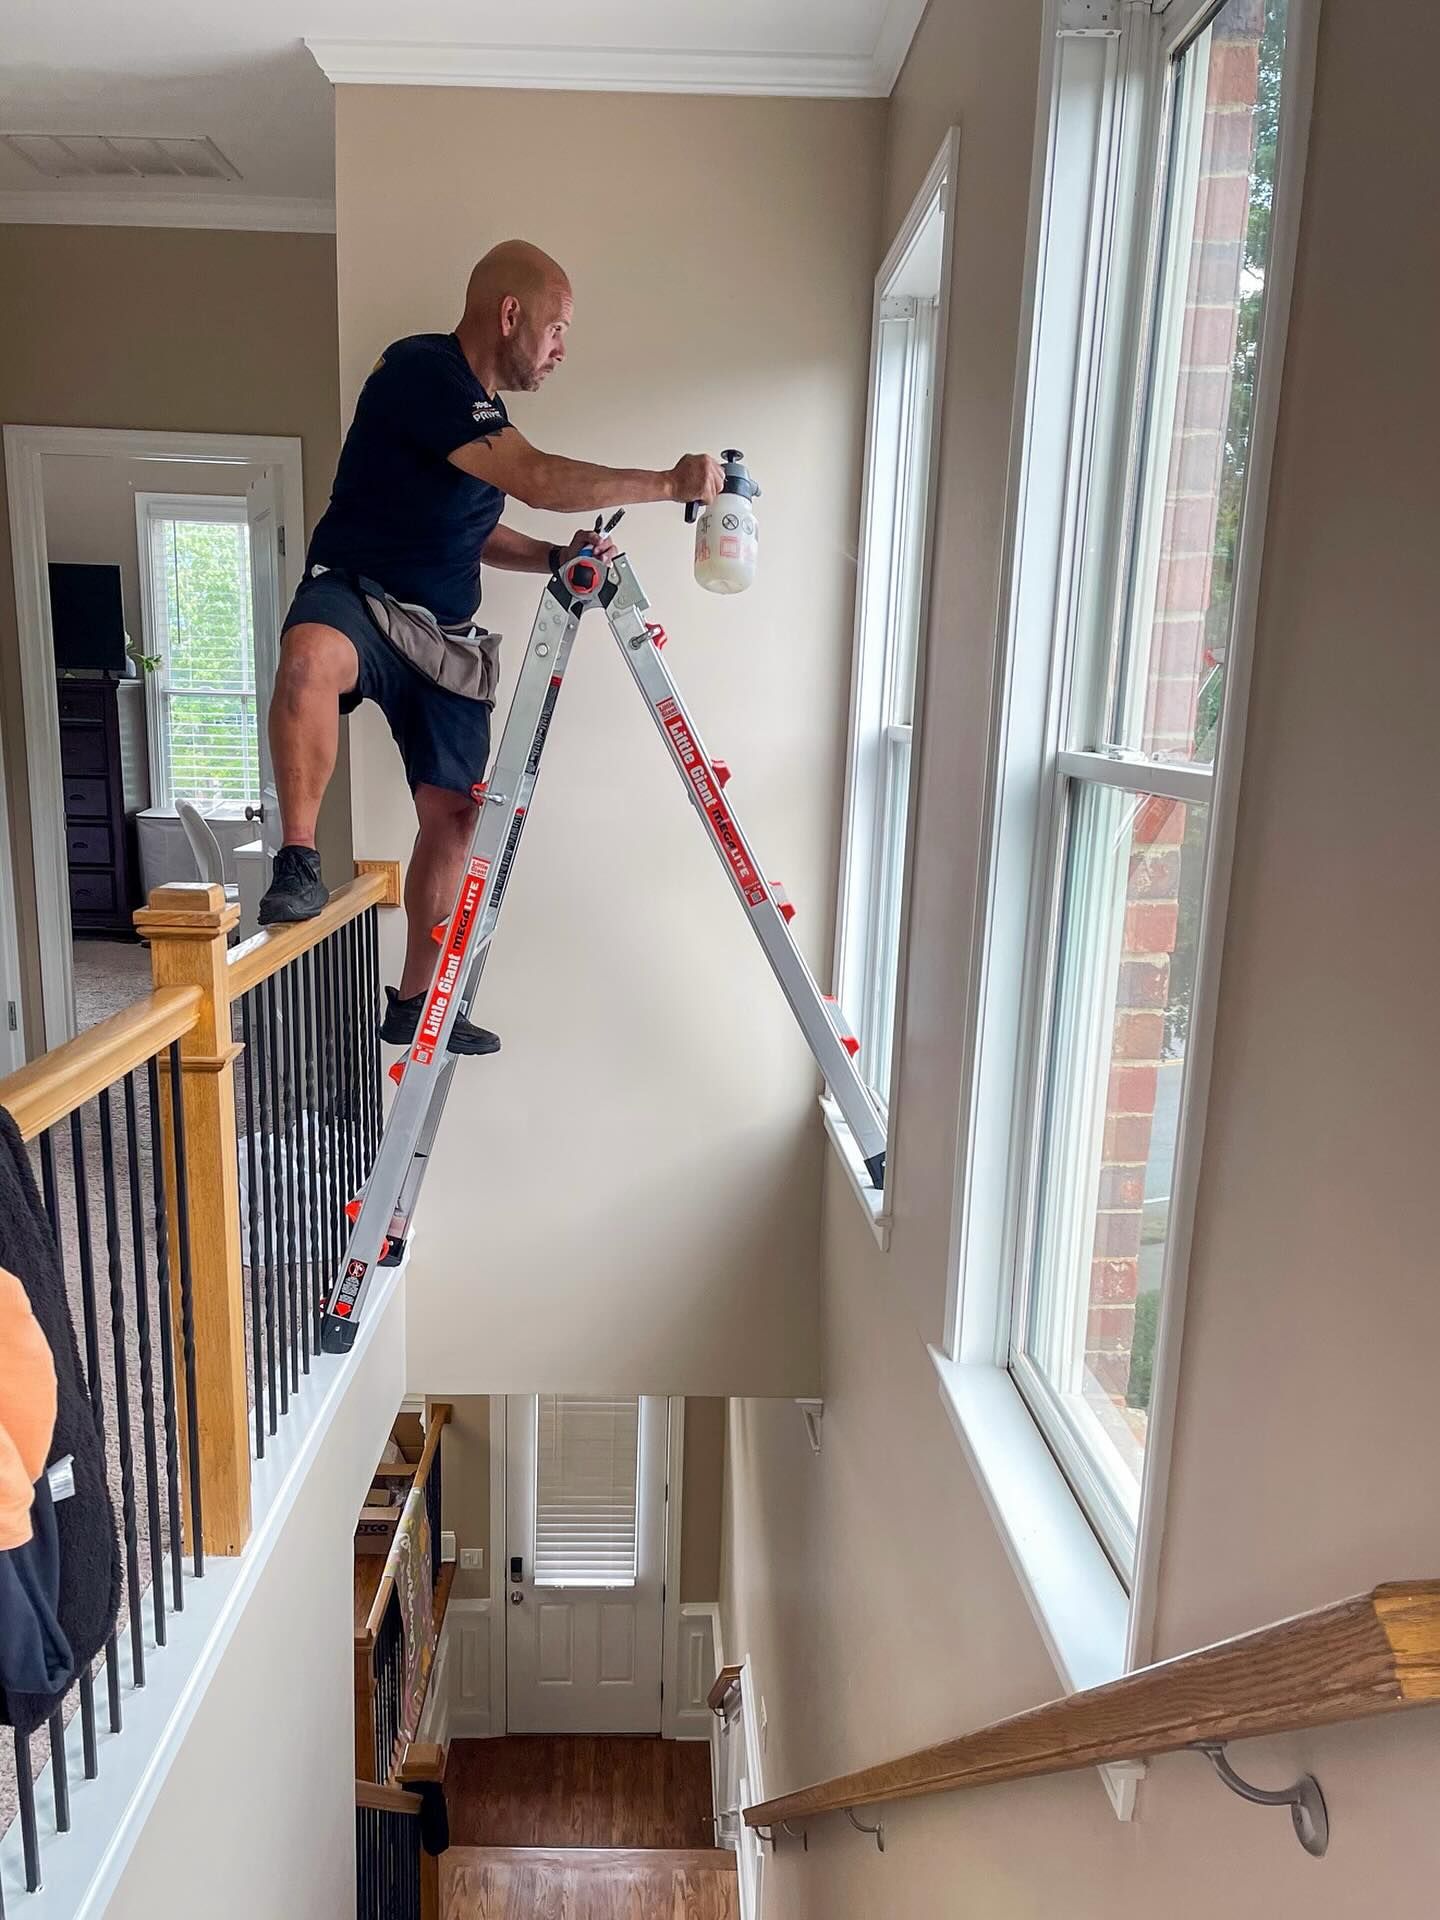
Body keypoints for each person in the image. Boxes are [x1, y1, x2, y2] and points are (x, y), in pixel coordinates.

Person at [257, 238, 723, 1057]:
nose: (561, 349)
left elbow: (472, 531)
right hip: (362, 594)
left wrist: (550, 556)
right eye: (556, 327)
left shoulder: (483, 430)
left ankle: (414, 999)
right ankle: (296, 860)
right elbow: (538, 479)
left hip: (444, 635)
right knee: (310, 657)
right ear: (510, 314)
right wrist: (666, 484)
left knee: (456, 811)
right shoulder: (421, 373)